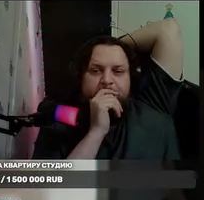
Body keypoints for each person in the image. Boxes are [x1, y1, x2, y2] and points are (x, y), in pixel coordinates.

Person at [32, 18, 185, 160]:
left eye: (118, 71)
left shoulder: (154, 103)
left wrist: (113, 44)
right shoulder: (58, 127)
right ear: (81, 78)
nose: (107, 80)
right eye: (96, 71)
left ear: (131, 78)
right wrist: (96, 132)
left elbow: (168, 29)